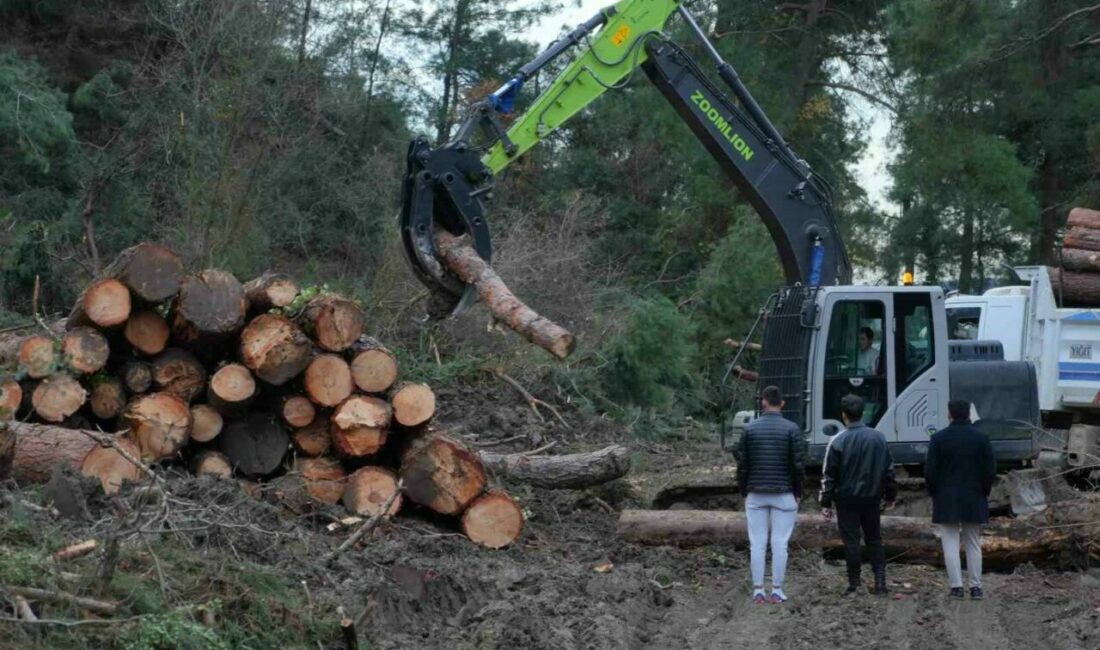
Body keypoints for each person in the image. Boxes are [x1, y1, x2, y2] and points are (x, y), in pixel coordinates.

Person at [819, 394, 897, 595]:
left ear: (844, 415)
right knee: (874, 539)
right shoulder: (879, 437)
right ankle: (880, 583)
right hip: (872, 497)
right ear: (863, 412)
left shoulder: (837, 441)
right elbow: (889, 470)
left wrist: (825, 502)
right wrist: (890, 495)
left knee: (851, 541)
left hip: (846, 500)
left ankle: (854, 584)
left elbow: (829, 475)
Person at [735, 385, 806, 605]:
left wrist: (743, 489)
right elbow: (798, 465)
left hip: (756, 493)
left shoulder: (750, 430)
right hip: (784, 493)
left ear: (763, 402)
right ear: (782, 403)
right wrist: (798, 491)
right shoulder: (792, 429)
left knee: (757, 543)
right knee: (779, 543)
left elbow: (742, 464)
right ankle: (776, 590)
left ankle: (758, 591)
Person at [926, 399, 996, 600]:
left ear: (949, 414)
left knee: (950, 542)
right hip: (974, 496)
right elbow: (990, 470)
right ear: (968, 414)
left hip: (946, 497)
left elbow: (930, 472)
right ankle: (976, 587)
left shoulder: (938, 439)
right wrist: (984, 491)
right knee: (973, 542)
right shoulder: (982, 438)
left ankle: (956, 587)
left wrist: (935, 494)